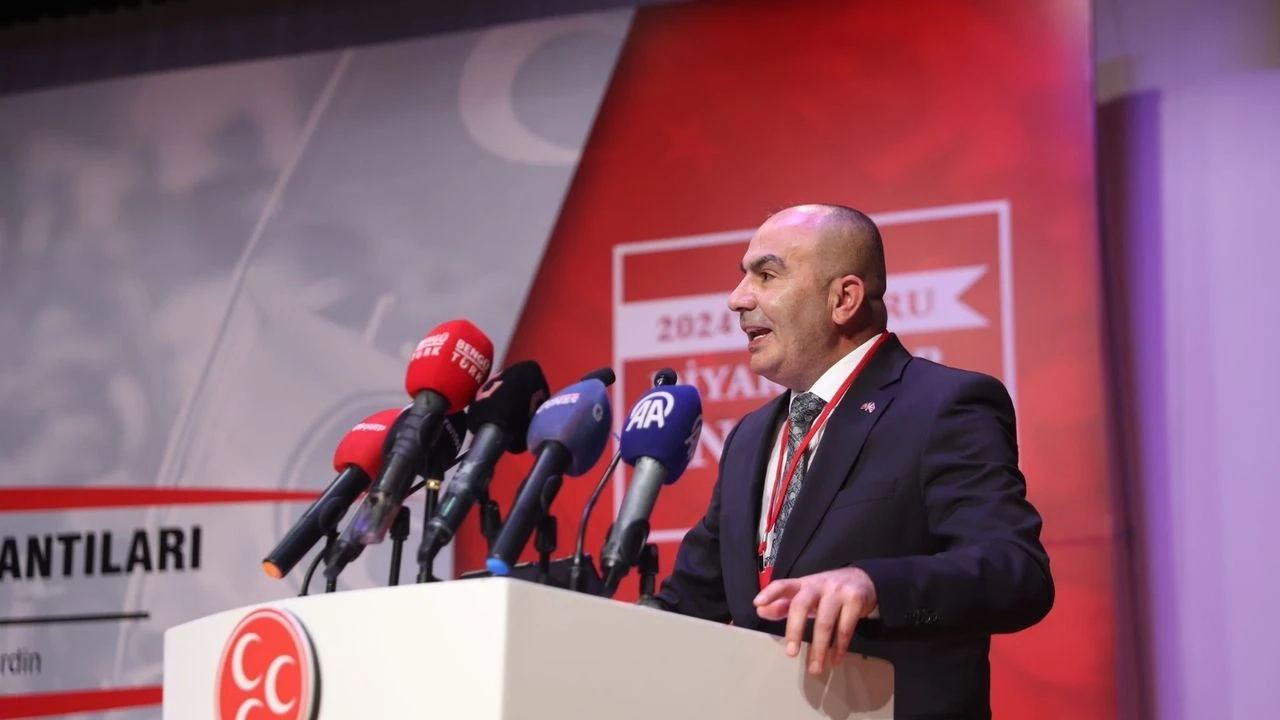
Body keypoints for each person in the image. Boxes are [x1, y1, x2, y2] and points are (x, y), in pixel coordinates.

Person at [651, 203, 1054, 719]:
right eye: (743, 277)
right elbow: (688, 603)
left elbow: (1016, 573)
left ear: (843, 299)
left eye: (766, 275)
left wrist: (873, 585)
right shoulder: (749, 438)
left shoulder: (943, 406)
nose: (737, 299)